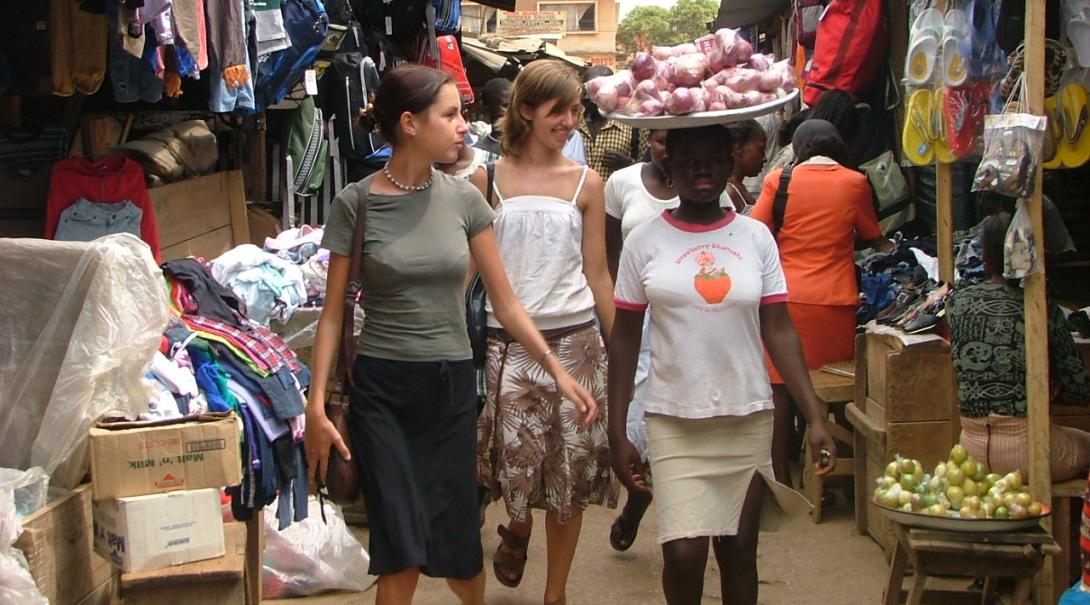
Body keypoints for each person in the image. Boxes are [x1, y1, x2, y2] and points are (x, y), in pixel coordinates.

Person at [304, 65, 598, 605]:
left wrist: (558, 371)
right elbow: (331, 315)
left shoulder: (465, 201)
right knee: (401, 548)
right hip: (381, 393)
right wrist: (316, 407)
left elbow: (506, 303)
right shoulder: (356, 203)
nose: (465, 126)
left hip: (450, 390)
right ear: (410, 123)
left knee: (459, 549)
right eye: (451, 115)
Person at [609, 124, 838, 605]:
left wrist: (814, 414)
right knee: (684, 557)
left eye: (713, 157)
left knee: (738, 552)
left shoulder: (755, 237)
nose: (701, 168)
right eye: (688, 158)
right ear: (669, 165)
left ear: (731, 159)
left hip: (745, 416)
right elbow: (626, 336)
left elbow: (778, 327)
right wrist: (617, 427)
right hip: (673, 419)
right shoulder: (644, 242)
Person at [473, 59, 617, 605]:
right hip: (505, 348)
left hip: (578, 344)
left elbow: (598, 273)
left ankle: (556, 594)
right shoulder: (487, 179)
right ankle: (518, 528)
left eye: (576, 110)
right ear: (527, 109)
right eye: (559, 110)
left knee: (569, 475)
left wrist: (621, 349)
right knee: (511, 467)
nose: (570, 121)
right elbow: (468, 270)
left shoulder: (587, 182)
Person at [750, 120, 893, 483]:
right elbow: (872, 235)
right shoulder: (855, 182)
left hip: (786, 300)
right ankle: (836, 473)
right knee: (837, 388)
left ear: (798, 148)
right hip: (835, 300)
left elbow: (755, 229)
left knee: (781, 389)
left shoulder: (779, 181)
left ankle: (781, 476)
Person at [948, 211, 1090, 481]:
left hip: (970, 454)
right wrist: (1051, 389)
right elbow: (1080, 388)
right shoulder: (1039, 304)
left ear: (985, 258)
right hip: (1030, 453)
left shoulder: (957, 302)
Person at [577, 65, 648, 181]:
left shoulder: (634, 125)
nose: (590, 97)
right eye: (586, 91)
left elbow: (648, 170)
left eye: (597, 91)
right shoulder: (571, 125)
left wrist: (627, 163)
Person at [726, 119, 768, 214]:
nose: (765, 158)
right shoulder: (729, 194)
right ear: (739, 148)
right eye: (761, 150)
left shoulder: (739, 188)